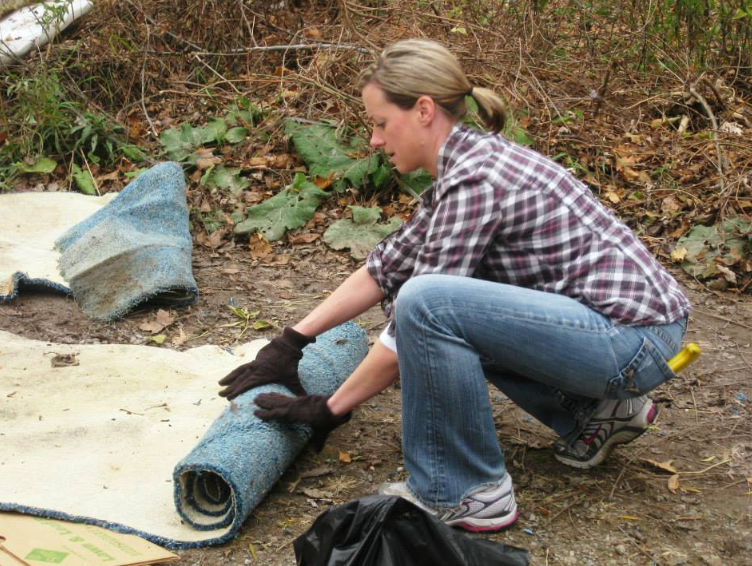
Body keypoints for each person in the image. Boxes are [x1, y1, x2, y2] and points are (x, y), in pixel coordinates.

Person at [218, 39, 690, 533]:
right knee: (441, 305)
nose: (374, 141)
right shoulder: (463, 169)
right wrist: (291, 341)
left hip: (630, 340)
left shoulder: (476, 179)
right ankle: (597, 415)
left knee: (428, 304)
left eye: (380, 123)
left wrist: (329, 408)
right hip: (629, 335)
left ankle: (466, 491)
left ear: (423, 110)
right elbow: (385, 267)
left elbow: (415, 319)